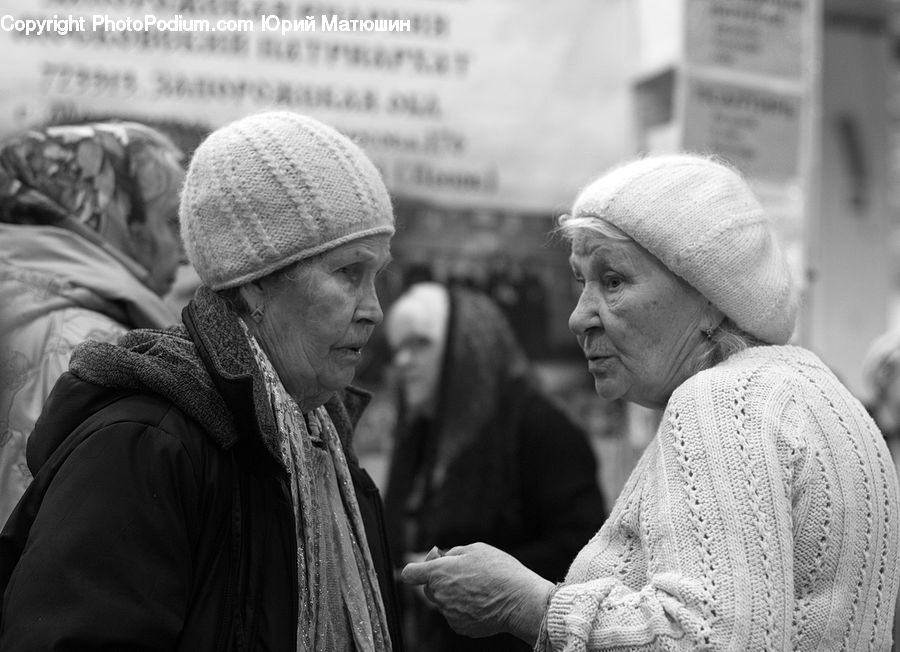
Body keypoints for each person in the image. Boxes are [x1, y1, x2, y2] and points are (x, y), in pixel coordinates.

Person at [401, 154, 900, 650]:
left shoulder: (719, 401)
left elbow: (707, 638)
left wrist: (528, 605)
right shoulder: (821, 394)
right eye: (582, 282)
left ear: (708, 294)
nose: (579, 318)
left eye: (613, 281)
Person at [0, 111, 404, 651]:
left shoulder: (327, 448)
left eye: (377, 275)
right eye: (348, 272)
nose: (374, 310)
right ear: (254, 284)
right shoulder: (143, 446)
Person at [383, 282, 606, 651]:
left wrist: (477, 579)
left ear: (467, 348)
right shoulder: (422, 430)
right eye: (399, 348)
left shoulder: (540, 428)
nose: (403, 362)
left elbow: (584, 550)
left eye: (420, 344)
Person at [0, 120, 185, 526]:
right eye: (171, 220)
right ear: (116, 219)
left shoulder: (26, 302)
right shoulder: (86, 342)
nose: (183, 250)